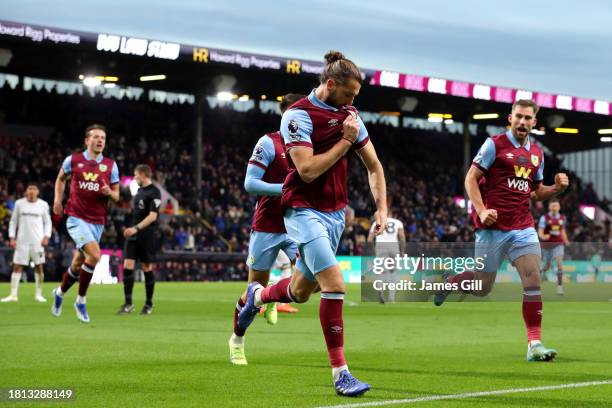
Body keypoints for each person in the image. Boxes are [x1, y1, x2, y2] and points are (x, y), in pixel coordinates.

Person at [238, 51, 387, 396]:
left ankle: (257, 296)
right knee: (335, 282)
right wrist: (345, 141)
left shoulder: (350, 115)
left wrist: (381, 209)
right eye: (349, 94)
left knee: (302, 292)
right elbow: (306, 170)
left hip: (335, 214)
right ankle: (341, 374)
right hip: (302, 210)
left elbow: (374, 166)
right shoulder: (297, 116)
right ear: (330, 84)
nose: (353, 102)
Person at [434, 99, 569, 362]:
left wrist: (555, 189)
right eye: (518, 116)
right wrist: (482, 210)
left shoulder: (537, 154)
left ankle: (534, 344)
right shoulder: (493, 145)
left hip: (522, 226)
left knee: (533, 280)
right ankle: (451, 282)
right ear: (510, 118)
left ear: (534, 123)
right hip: (492, 228)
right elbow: (470, 178)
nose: (522, 122)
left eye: (527, 118)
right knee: (483, 287)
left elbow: (536, 192)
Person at [229, 93, 304, 366]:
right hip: (268, 225)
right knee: (252, 290)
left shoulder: (309, 145)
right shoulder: (269, 142)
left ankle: (273, 293)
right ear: (285, 113)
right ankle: (237, 340)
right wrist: (284, 189)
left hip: (299, 224)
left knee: (315, 281)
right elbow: (250, 184)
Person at [51, 124, 120, 323]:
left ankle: (60, 292)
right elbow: (60, 179)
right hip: (75, 217)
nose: (100, 141)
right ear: (87, 140)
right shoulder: (73, 160)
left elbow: (116, 195)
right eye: (96, 137)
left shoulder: (111, 165)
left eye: (103, 138)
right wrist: (57, 200)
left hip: (97, 221)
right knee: (95, 255)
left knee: (79, 263)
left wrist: (110, 193)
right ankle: (80, 300)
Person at [117, 164, 161, 315]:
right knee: (127, 265)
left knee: (146, 267)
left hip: (147, 235)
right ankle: (128, 304)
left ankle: (149, 304)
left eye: (136, 175)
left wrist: (136, 228)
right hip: (134, 234)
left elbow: (153, 216)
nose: (134, 178)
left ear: (143, 174)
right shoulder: (139, 191)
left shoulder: (155, 192)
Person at [1, 183, 51, 303]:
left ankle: (38, 294)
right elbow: (13, 222)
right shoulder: (19, 204)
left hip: (37, 242)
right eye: (30, 189)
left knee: (39, 267)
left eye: (34, 189)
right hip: (22, 241)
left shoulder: (43, 205)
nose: (32, 191)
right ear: (26, 191)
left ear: (37, 192)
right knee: (17, 266)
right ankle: (13, 295)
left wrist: (46, 236)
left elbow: (48, 222)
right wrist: (12, 237)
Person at [367, 207, 405, 303]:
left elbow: (369, 239)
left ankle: (380, 290)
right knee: (393, 272)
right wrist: (402, 251)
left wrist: (373, 251)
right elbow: (402, 237)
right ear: (391, 214)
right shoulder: (397, 222)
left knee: (380, 271)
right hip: (393, 246)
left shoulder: (377, 223)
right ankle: (391, 298)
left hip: (380, 246)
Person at [538, 199, 569, 295]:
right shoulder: (544, 218)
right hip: (547, 246)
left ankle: (559, 286)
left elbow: (562, 231)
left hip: (558, 244)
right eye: (553, 206)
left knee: (559, 263)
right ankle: (542, 273)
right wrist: (543, 236)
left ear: (559, 207)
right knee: (547, 266)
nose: (555, 208)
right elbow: (540, 232)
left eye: (556, 206)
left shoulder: (563, 218)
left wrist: (566, 240)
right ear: (549, 207)